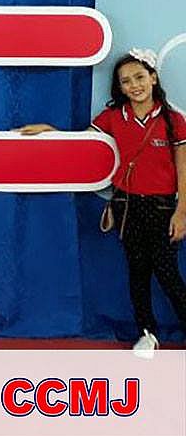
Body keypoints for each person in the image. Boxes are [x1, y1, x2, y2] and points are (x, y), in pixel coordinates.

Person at [20, 48, 186, 357]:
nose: (134, 85)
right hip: (127, 206)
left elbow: (183, 169)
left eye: (139, 77)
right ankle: (147, 334)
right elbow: (85, 144)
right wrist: (52, 132)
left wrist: (182, 212)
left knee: (168, 274)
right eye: (126, 81)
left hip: (163, 208)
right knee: (137, 272)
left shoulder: (172, 121)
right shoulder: (113, 117)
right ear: (119, 87)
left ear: (153, 77)